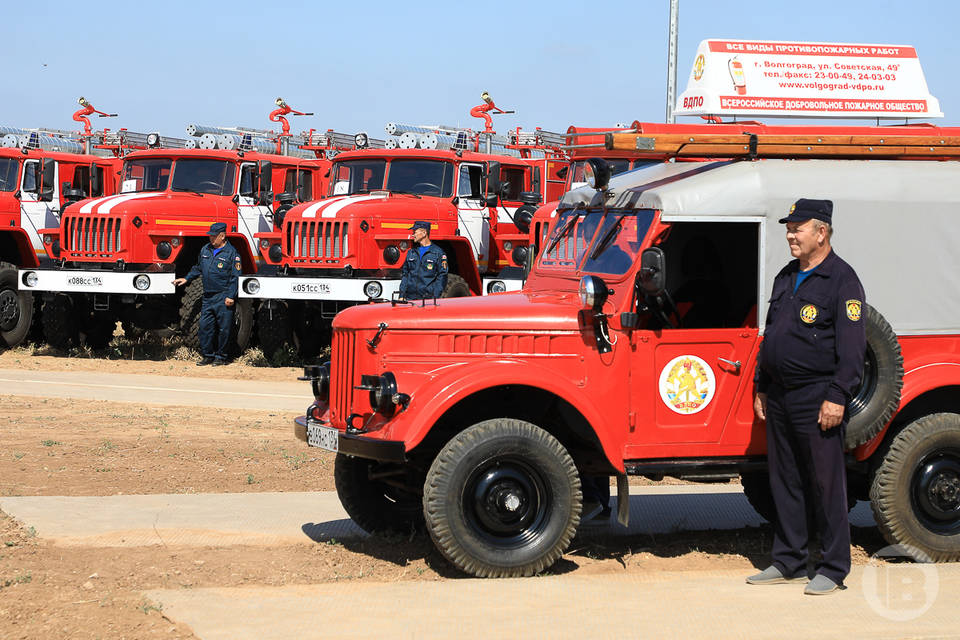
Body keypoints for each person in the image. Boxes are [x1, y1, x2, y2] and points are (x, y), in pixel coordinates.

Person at [747, 198, 866, 595]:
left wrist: (837, 396)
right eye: (788, 227)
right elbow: (770, 336)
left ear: (822, 232)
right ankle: (789, 560)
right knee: (785, 480)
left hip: (818, 396)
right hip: (779, 395)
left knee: (825, 483)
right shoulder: (786, 275)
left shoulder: (842, 280)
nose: (789, 234)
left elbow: (852, 350)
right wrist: (761, 386)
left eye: (797, 228)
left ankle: (833, 568)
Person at [173, 222, 240, 366]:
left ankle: (221, 357)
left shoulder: (232, 253)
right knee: (204, 327)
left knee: (224, 329)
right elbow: (198, 268)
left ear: (222, 236)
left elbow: (235, 277)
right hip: (208, 296)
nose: (211, 239)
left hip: (223, 296)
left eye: (214, 236)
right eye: (210, 236)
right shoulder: (205, 250)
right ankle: (208, 355)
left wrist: (230, 296)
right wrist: (186, 278)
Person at [398, 221, 448, 300]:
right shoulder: (411, 252)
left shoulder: (438, 253)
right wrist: (401, 295)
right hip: (410, 299)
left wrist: (435, 297)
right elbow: (405, 275)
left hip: (428, 300)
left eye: (415, 232)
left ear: (424, 233)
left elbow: (442, 276)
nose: (413, 235)